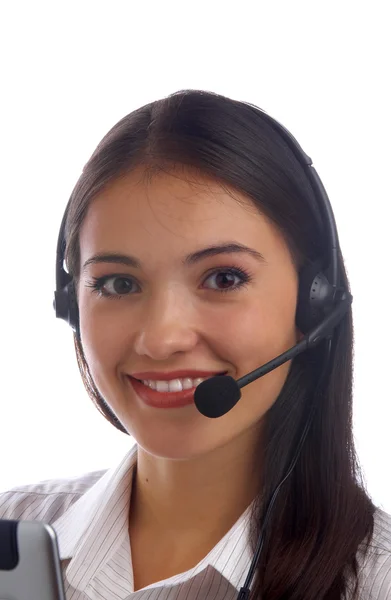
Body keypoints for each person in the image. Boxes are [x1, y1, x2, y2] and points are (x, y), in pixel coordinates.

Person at [0, 90, 390, 600]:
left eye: (224, 278)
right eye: (118, 284)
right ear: (72, 304)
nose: (162, 339)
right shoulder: (13, 529)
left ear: (314, 303)